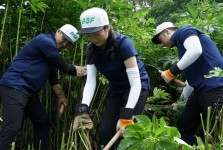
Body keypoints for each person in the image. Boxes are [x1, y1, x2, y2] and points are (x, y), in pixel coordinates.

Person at [72, 7, 150, 149]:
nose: (93, 39)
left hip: (137, 89)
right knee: (105, 132)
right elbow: (90, 82)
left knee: (125, 132)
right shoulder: (91, 50)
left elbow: (136, 84)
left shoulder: (123, 44)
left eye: (96, 34)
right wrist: (83, 109)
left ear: (107, 28)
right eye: (88, 35)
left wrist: (127, 115)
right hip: (116, 90)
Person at [0, 24, 87, 150]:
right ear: (58, 31)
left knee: (42, 121)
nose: (64, 43)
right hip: (15, 87)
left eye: (69, 42)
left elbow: (52, 76)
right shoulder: (45, 41)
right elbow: (62, 66)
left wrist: (61, 95)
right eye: (64, 38)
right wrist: (83, 71)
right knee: (12, 128)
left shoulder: (51, 51)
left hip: (28, 92)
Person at [152, 22, 223, 146]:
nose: (163, 44)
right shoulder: (183, 48)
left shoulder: (184, 31)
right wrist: (180, 101)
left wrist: (170, 72)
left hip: (215, 86)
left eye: (161, 39)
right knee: (184, 126)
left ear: (167, 32)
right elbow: (191, 80)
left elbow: (196, 51)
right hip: (201, 90)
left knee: (220, 127)